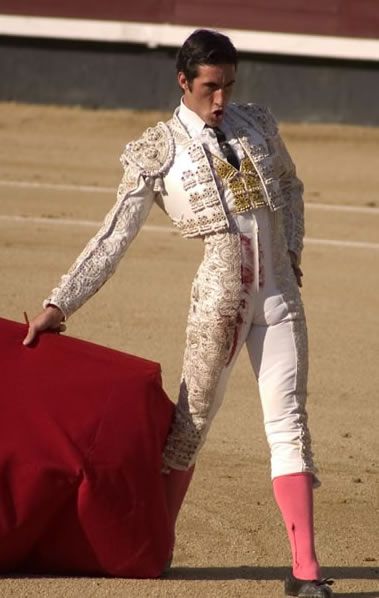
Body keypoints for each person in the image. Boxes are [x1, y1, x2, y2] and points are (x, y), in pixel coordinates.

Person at [24, 29, 333, 597]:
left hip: (281, 297)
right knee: (188, 432)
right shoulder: (158, 148)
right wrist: (59, 302)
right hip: (219, 299)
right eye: (211, 88)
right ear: (183, 82)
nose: (222, 100)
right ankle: (153, 549)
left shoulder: (257, 123)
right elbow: (116, 232)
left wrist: (290, 252)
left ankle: (306, 571)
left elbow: (289, 186)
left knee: (289, 424)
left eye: (229, 86)